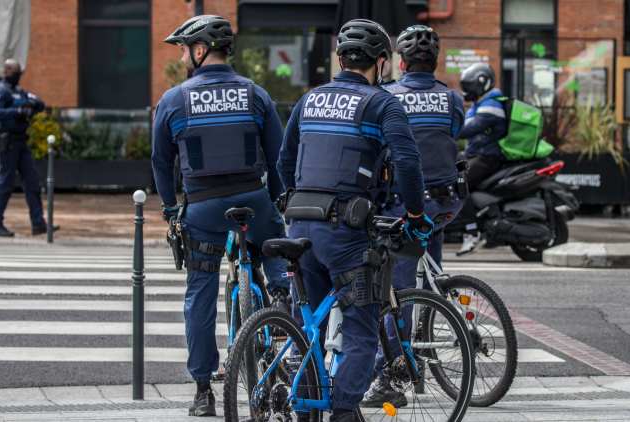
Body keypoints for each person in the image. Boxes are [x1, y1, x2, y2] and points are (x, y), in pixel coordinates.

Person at [277, 19, 432, 422]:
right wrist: (415, 215)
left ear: (340, 59)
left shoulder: (309, 100)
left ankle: (305, 409)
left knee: (308, 328)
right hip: (344, 232)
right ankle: (344, 412)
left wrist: (296, 197)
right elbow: (409, 163)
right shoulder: (382, 103)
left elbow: (284, 163)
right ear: (380, 62)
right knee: (361, 328)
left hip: (299, 224)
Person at [153, 15, 290, 417]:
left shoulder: (174, 99)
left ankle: (203, 392)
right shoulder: (256, 94)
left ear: (200, 51)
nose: (182, 57)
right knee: (276, 249)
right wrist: (276, 202)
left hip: (204, 207)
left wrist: (170, 208)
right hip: (254, 199)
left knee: (200, 288)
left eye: (184, 50)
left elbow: (161, 162)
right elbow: (279, 159)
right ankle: (282, 301)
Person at [361, 25, 465, 408]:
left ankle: (391, 376)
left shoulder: (387, 95)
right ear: (435, 63)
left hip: (405, 207)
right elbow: (453, 133)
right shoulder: (451, 98)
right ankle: (431, 319)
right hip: (446, 203)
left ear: (401, 63)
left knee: (397, 292)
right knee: (430, 258)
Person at [0, 59, 59, 237]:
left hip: (21, 142)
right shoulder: (1, 91)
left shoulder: (20, 92)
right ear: (7, 73)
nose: (18, 77)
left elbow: (40, 104)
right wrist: (18, 111)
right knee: (5, 183)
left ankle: (38, 223)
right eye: (16, 73)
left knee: (32, 181)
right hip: (8, 142)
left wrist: (32, 105)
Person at [456, 62, 507, 256]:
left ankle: (471, 231)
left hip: (488, 158)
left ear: (482, 83)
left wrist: (440, 129)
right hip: (476, 155)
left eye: (469, 85)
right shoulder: (480, 103)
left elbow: (466, 129)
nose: (466, 90)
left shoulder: (491, 105)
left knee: (460, 183)